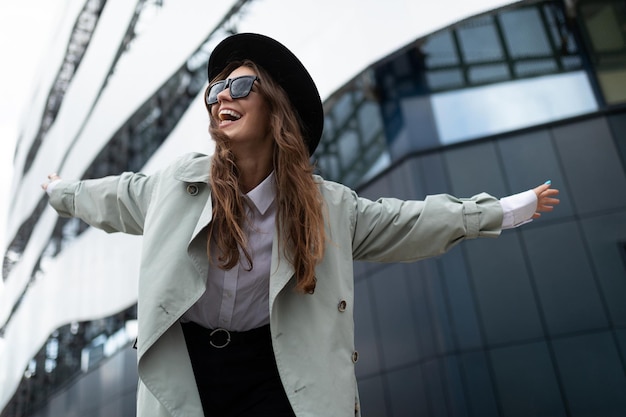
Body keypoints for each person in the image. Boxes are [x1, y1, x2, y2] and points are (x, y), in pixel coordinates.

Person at [42, 33, 559, 417]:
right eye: (215, 89)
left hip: (275, 369)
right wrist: (59, 192)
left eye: (239, 84)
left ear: (274, 104)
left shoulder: (328, 206)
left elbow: (411, 221)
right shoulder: (178, 185)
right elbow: (113, 195)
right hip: (189, 367)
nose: (221, 95)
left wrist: (504, 210)